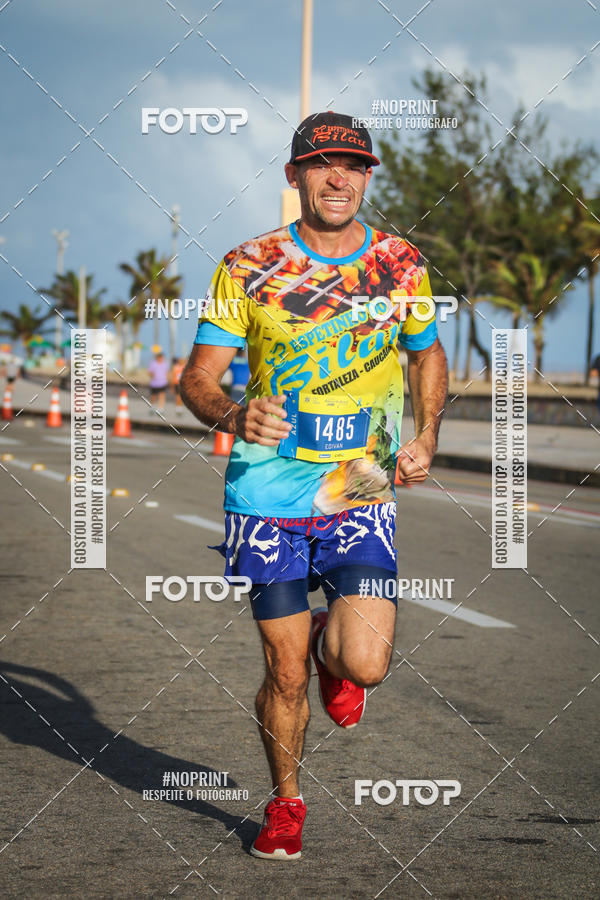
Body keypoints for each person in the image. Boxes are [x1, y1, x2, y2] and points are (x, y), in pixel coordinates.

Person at [180, 111, 448, 860]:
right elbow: (195, 377)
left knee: (365, 663)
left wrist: (426, 433)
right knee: (285, 672)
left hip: (358, 482)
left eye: (353, 165)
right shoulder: (248, 266)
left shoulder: (400, 263)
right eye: (323, 163)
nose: (339, 177)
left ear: (366, 178)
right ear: (295, 174)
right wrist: (234, 413)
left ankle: (337, 646)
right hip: (264, 496)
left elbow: (426, 353)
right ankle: (286, 803)